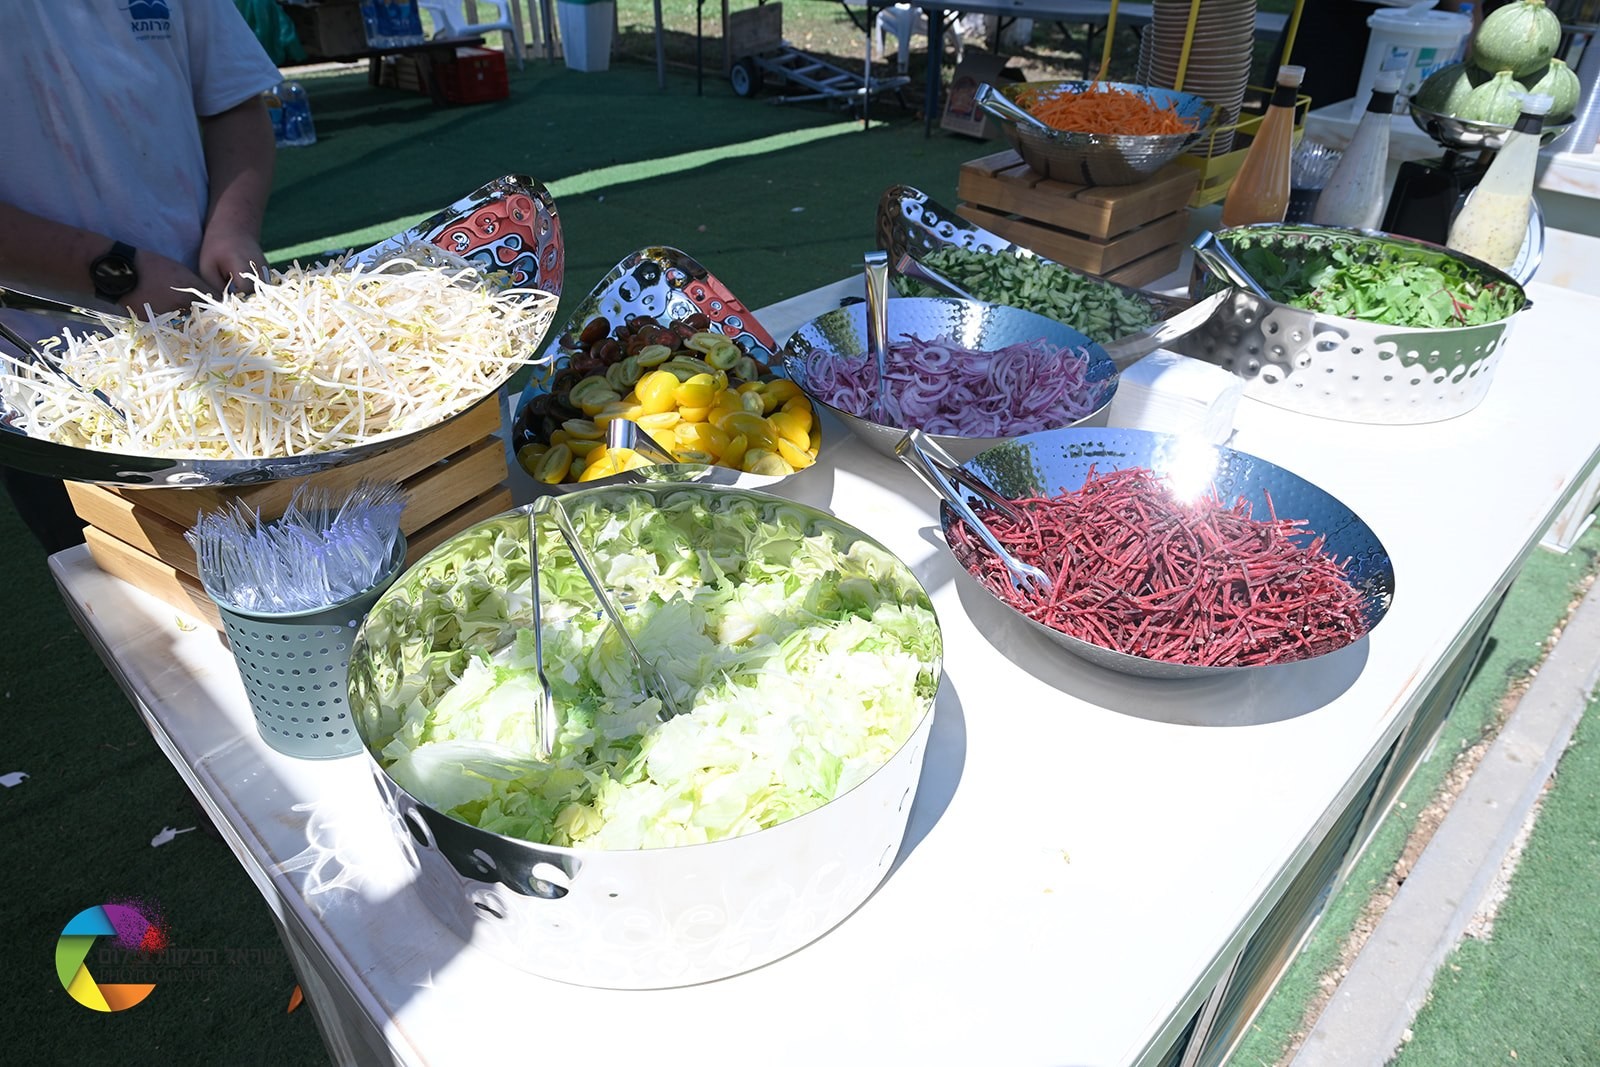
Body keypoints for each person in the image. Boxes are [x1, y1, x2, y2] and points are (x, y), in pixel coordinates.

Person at [0, 0, 282, 554]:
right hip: (42, 378)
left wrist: (232, 227)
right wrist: (115, 273)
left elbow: (234, 102)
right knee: (121, 572)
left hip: (213, 331)